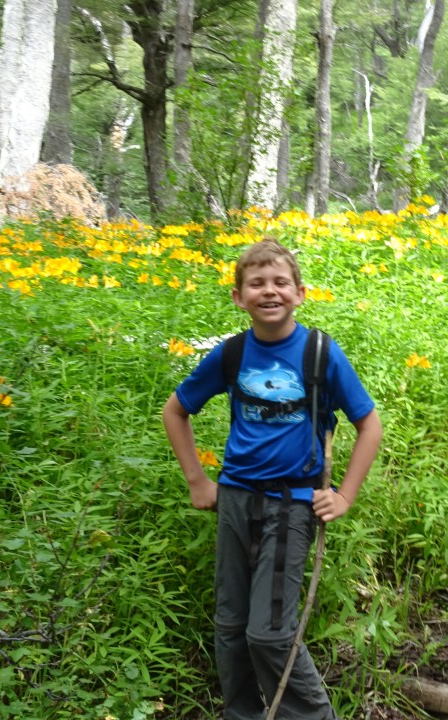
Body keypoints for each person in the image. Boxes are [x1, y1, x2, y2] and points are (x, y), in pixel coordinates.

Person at [163, 238, 382, 720]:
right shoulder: (231, 353)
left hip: (291, 505)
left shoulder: (320, 353)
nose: (269, 291)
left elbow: (369, 425)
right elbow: (175, 411)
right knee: (231, 626)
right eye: (256, 283)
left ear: (300, 293)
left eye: (281, 282)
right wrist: (198, 481)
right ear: (238, 297)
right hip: (234, 500)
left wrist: (344, 495)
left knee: (269, 632)